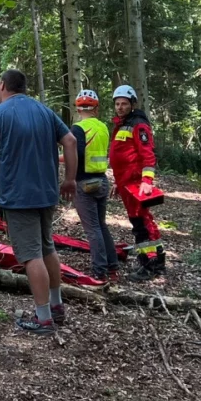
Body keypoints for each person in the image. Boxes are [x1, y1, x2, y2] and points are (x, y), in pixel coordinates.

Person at [0, 69, 77, 334]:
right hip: (46, 193)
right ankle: (56, 307)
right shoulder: (44, 111)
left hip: (18, 197)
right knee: (47, 249)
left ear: (1, 86)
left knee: (32, 256)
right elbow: (70, 140)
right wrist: (69, 180)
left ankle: (43, 318)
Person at [109, 85, 164, 281]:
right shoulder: (123, 124)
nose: (120, 107)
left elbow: (147, 155)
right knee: (142, 221)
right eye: (117, 104)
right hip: (126, 184)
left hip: (136, 185)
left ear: (132, 104)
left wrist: (147, 181)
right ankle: (157, 261)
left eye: (124, 104)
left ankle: (149, 265)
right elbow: (123, 157)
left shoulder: (138, 124)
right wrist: (117, 182)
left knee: (141, 223)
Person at [70, 89, 118, 282]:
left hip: (84, 182)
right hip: (102, 180)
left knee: (92, 229)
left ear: (78, 108)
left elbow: (77, 155)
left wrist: (58, 159)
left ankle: (100, 271)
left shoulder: (78, 128)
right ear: (96, 109)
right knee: (101, 225)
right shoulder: (103, 127)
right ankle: (113, 267)